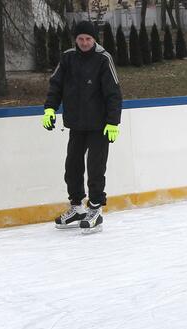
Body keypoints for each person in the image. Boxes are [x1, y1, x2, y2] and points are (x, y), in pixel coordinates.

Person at [42, 20, 122, 233]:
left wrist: (113, 122)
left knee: (95, 168)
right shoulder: (68, 57)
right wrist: (50, 109)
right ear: (75, 39)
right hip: (76, 124)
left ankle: (95, 209)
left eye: (88, 38)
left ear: (94, 39)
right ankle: (77, 207)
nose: (84, 42)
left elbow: (114, 93)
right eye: (81, 39)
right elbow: (56, 84)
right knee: (72, 167)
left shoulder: (103, 59)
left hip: (99, 126)